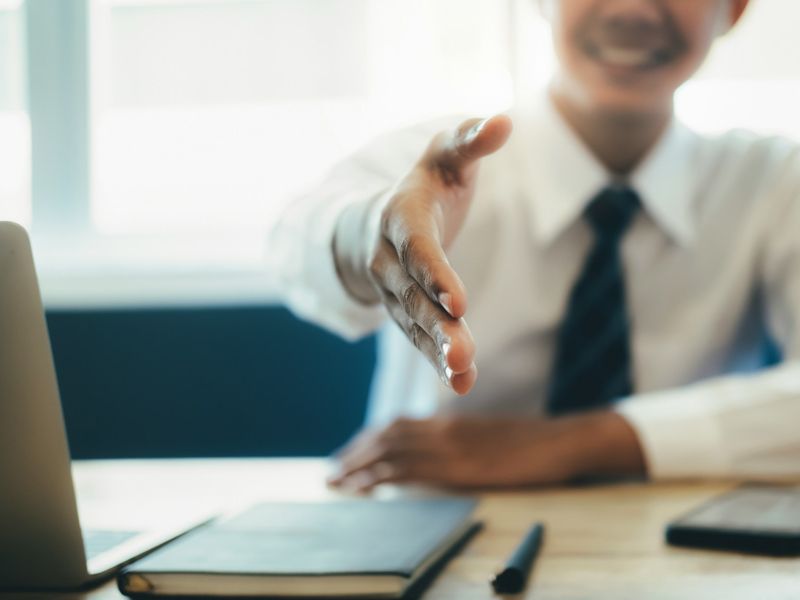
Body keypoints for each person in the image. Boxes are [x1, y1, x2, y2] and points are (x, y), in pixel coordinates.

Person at [271, 0, 800, 491]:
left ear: (733, 7)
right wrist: (372, 233)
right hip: (429, 529)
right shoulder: (437, 163)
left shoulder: (771, 182)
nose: (634, 7)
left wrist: (573, 444)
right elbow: (298, 243)